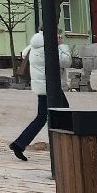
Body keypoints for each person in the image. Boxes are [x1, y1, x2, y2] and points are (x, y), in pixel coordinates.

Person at [9, 31, 70, 162]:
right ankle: (66, 146)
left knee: (43, 117)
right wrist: (61, 46)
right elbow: (65, 61)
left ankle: (19, 144)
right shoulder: (49, 47)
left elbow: (24, 53)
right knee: (65, 114)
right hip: (51, 87)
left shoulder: (34, 45)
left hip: (42, 87)